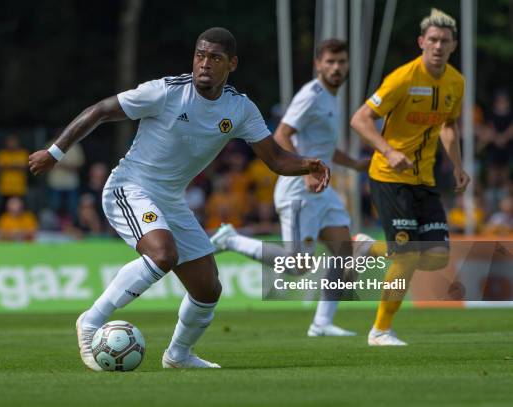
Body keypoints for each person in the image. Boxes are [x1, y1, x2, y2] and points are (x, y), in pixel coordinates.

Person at [29, 27, 330, 370]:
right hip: (130, 187)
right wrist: (55, 152)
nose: (204, 64)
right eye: (200, 55)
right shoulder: (165, 92)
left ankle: (178, 355)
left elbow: (275, 159)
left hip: (170, 200)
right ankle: (91, 322)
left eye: (214, 58)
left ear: (231, 64)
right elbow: (99, 111)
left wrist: (308, 165)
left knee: (208, 289)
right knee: (163, 254)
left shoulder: (240, 108)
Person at [210, 39, 369, 337]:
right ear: (318, 65)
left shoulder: (331, 97)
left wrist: (356, 165)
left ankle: (322, 323)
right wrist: (305, 169)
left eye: (341, 62)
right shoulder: (311, 95)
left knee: (343, 251)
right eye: (330, 62)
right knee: (298, 266)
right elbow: (282, 133)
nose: (336, 68)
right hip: (299, 190)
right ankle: (231, 239)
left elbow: (324, 149)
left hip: (321, 190)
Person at [350, 8, 469, 345]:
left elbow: (449, 125)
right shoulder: (402, 78)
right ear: (421, 42)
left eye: (444, 41)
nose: (438, 45)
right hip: (389, 175)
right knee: (406, 255)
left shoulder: (456, 82)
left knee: (435, 257)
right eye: (432, 39)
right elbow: (359, 119)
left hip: (425, 180)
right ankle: (380, 330)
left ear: (453, 45)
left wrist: (458, 166)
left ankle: (366, 248)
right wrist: (388, 151)